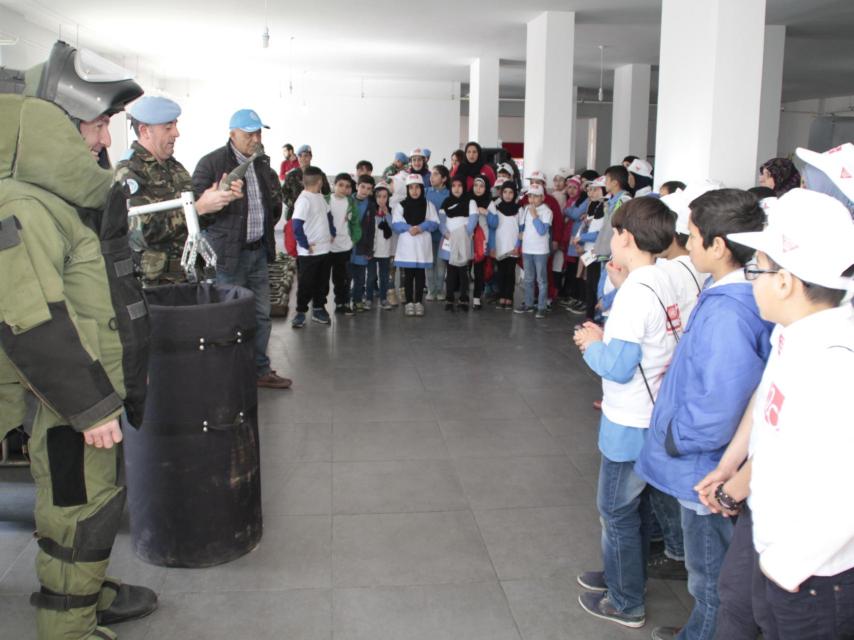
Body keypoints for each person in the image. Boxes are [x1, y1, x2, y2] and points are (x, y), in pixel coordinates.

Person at [0, 40, 158, 640]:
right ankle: (67, 624)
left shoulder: (61, 199)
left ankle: (82, 593)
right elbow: (30, 319)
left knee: (86, 501)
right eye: (96, 126)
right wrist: (90, 407)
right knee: (78, 508)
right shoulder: (25, 204)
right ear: (54, 126)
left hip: (77, 390)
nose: (104, 143)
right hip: (66, 399)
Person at [696, 188, 854, 640]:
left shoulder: (835, 362)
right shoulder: (796, 330)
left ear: (785, 281)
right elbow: (768, 401)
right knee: (739, 608)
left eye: (757, 269)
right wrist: (731, 464)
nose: (751, 280)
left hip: (811, 574)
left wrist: (787, 567)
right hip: (771, 534)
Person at [634, 189, 772, 640]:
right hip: (702, 458)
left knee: (710, 576)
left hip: (704, 467)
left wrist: (676, 436)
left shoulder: (730, 313)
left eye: (692, 236)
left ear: (719, 246)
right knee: (709, 571)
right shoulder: (726, 291)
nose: (686, 244)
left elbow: (720, 403)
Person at [573, 197, 682, 630]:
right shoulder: (662, 277)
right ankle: (622, 574)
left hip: (630, 419)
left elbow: (616, 367)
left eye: (615, 233)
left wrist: (591, 342)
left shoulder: (636, 293)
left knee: (616, 512)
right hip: (653, 412)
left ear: (627, 238)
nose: (611, 240)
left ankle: (625, 601)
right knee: (634, 511)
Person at [191, 108, 291, 389]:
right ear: (232, 134)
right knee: (228, 315)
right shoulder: (212, 163)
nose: (255, 138)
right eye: (249, 134)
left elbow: (271, 204)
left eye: (258, 132)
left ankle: (260, 369)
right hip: (227, 257)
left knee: (261, 314)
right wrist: (216, 201)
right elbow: (197, 211)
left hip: (257, 253)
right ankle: (227, 373)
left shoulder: (261, 164)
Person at [119, 96, 241, 285]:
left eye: (175, 125)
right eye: (168, 127)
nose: (176, 133)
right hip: (155, 285)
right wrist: (197, 209)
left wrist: (219, 199)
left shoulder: (175, 168)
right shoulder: (129, 171)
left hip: (188, 277)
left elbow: (198, 220)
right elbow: (139, 232)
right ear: (144, 131)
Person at [290, 166, 335, 327]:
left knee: (322, 283)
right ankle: (301, 311)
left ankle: (318, 308)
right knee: (306, 283)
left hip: (325, 250)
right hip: (309, 253)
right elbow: (296, 225)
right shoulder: (304, 200)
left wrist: (332, 231)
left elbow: (328, 215)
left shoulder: (320, 197)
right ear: (320, 182)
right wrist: (304, 244)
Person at [392, 173, 440, 316]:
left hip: (422, 246)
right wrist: (408, 228)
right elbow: (396, 223)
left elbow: (435, 222)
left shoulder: (428, 204)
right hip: (407, 247)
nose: (414, 191)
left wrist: (421, 227)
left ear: (422, 188)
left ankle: (418, 301)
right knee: (408, 276)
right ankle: (408, 303)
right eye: (411, 187)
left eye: (417, 187)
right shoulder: (401, 205)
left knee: (420, 276)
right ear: (407, 189)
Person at [514, 184, 553, 318]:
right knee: (528, 279)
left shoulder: (547, 211)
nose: (532, 199)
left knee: (541, 280)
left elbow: (542, 231)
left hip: (540, 250)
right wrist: (518, 244)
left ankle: (542, 307)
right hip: (527, 249)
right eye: (530, 196)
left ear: (542, 197)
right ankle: (529, 304)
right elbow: (522, 230)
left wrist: (535, 216)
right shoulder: (526, 210)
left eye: (536, 196)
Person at [328, 173, 360, 315]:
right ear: (334, 185)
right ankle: (319, 306)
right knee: (323, 279)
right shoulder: (325, 200)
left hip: (344, 247)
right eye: (340, 185)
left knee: (343, 277)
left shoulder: (351, 203)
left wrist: (354, 240)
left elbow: (355, 224)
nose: (343, 189)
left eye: (347, 186)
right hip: (327, 247)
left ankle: (342, 302)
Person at [439, 175, 472, 311]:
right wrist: (446, 234)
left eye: (460, 186)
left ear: (464, 187)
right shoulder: (445, 202)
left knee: (463, 272)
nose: (457, 188)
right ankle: (449, 298)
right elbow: (441, 221)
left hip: (463, 241)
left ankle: (464, 298)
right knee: (451, 272)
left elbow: (472, 220)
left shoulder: (469, 202)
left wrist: (465, 234)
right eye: (454, 186)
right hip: (449, 241)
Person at [489, 181, 522, 309]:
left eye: (511, 193)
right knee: (500, 272)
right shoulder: (496, 208)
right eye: (505, 192)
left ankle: (509, 297)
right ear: (501, 193)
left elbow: (521, 230)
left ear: (515, 194)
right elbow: (492, 228)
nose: (508, 195)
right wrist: (492, 246)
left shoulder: (519, 209)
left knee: (510, 273)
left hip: (513, 247)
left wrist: (518, 245)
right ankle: (501, 296)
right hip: (500, 245)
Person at [469, 175, 495, 310]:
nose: (478, 189)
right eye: (475, 185)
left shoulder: (489, 203)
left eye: (481, 186)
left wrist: (486, 213)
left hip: (482, 241)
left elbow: (495, 223)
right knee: (464, 270)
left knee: (479, 271)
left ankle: (477, 298)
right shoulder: (467, 199)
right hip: (467, 239)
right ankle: (463, 296)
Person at [282, 144, 331, 217]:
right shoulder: (291, 175)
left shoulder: (318, 173)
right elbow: (283, 193)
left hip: (314, 213)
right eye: (300, 156)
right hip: (295, 213)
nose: (303, 158)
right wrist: (293, 204)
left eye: (306, 156)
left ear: (311, 157)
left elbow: (327, 193)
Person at [366, 182, 394, 310]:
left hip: (385, 251)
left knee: (384, 277)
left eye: (384, 197)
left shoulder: (391, 211)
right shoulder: (370, 211)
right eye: (379, 196)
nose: (381, 200)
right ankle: (368, 298)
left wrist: (387, 213)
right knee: (371, 276)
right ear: (374, 197)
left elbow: (393, 227)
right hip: (372, 250)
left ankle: (383, 298)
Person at [425, 164, 450, 301]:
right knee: (429, 264)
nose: (431, 177)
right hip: (427, 235)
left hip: (443, 236)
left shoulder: (449, 194)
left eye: (435, 174)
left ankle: (440, 289)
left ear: (444, 178)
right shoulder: (425, 192)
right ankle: (431, 289)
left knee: (441, 265)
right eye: (431, 174)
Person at [350, 175, 375, 310]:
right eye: (363, 187)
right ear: (357, 186)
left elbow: (371, 230)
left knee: (360, 277)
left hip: (362, 247)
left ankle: (357, 299)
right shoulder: (348, 201)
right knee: (346, 277)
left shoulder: (371, 206)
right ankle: (342, 302)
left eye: (369, 188)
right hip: (346, 247)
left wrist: (369, 248)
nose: (365, 191)